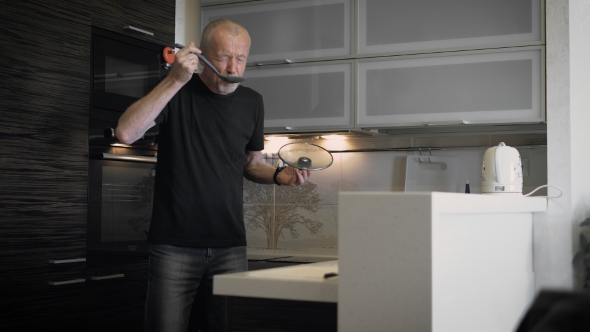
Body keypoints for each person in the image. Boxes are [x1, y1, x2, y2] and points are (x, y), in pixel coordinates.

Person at [116, 19, 310, 332]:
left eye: (241, 58)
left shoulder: (252, 102)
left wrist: (279, 176)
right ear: (202, 55)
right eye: (223, 58)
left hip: (231, 246)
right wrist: (174, 80)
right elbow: (125, 132)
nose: (233, 67)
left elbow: (250, 164)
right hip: (173, 246)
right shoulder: (175, 92)